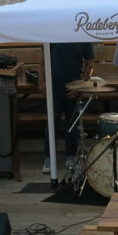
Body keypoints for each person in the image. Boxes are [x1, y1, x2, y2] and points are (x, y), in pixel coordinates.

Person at [43, 42, 95, 172]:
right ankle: (49, 158)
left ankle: (71, 155)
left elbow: (90, 64)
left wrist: (81, 86)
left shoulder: (83, 36)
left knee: (72, 123)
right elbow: (43, 59)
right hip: (54, 88)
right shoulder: (51, 34)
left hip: (73, 88)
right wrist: (42, 82)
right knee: (52, 123)